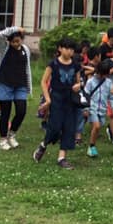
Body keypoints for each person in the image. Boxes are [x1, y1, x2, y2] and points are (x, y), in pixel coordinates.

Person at [33, 37, 84, 169]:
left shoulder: (76, 65)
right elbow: (43, 81)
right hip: (56, 98)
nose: (69, 51)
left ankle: (62, 158)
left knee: (68, 128)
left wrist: (78, 85)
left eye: (72, 49)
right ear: (60, 49)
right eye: (67, 48)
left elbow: (79, 81)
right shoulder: (53, 64)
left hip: (70, 99)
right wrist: (48, 99)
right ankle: (43, 145)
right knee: (55, 127)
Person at [0, 26, 32, 150]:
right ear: (9, 41)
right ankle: (3, 140)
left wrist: (28, 85)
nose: (16, 44)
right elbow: (0, 35)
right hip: (5, 83)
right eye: (13, 42)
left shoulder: (25, 49)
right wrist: (16, 28)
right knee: (5, 113)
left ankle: (12, 134)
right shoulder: (4, 48)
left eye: (18, 41)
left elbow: (27, 68)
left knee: (21, 111)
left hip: (20, 84)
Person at [83, 59, 113, 158]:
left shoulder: (109, 82)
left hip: (103, 109)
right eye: (102, 74)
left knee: (98, 128)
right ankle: (91, 146)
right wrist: (86, 109)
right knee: (96, 126)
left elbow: (112, 96)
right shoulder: (90, 82)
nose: (104, 76)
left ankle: (93, 145)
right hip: (93, 108)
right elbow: (85, 95)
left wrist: (112, 107)